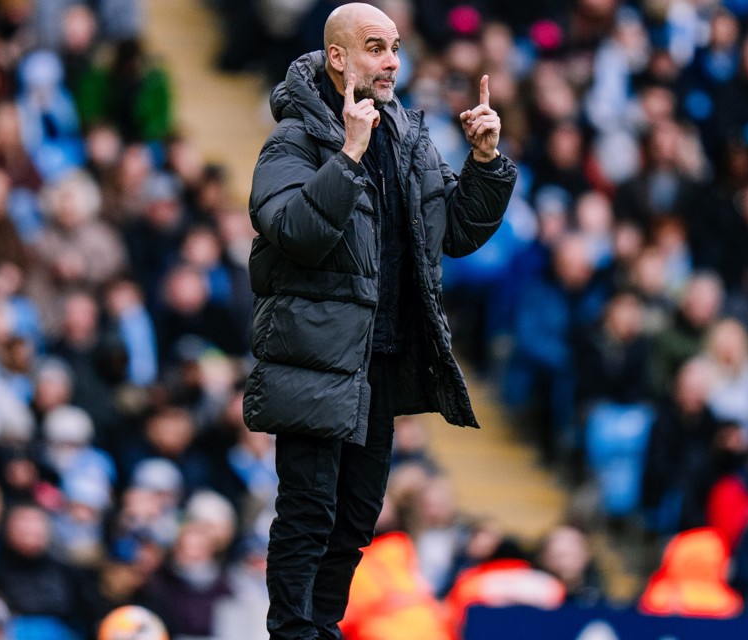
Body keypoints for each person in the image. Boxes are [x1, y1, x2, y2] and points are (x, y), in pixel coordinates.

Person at [243, 4, 516, 639]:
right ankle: (293, 633)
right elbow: (293, 230)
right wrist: (349, 155)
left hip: (381, 361)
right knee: (309, 511)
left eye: (395, 47)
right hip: (317, 360)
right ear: (338, 58)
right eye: (374, 47)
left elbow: (453, 233)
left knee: (358, 517)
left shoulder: (408, 135)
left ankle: (322, 627)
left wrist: (484, 162)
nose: (392, 60)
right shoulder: (296, 138)